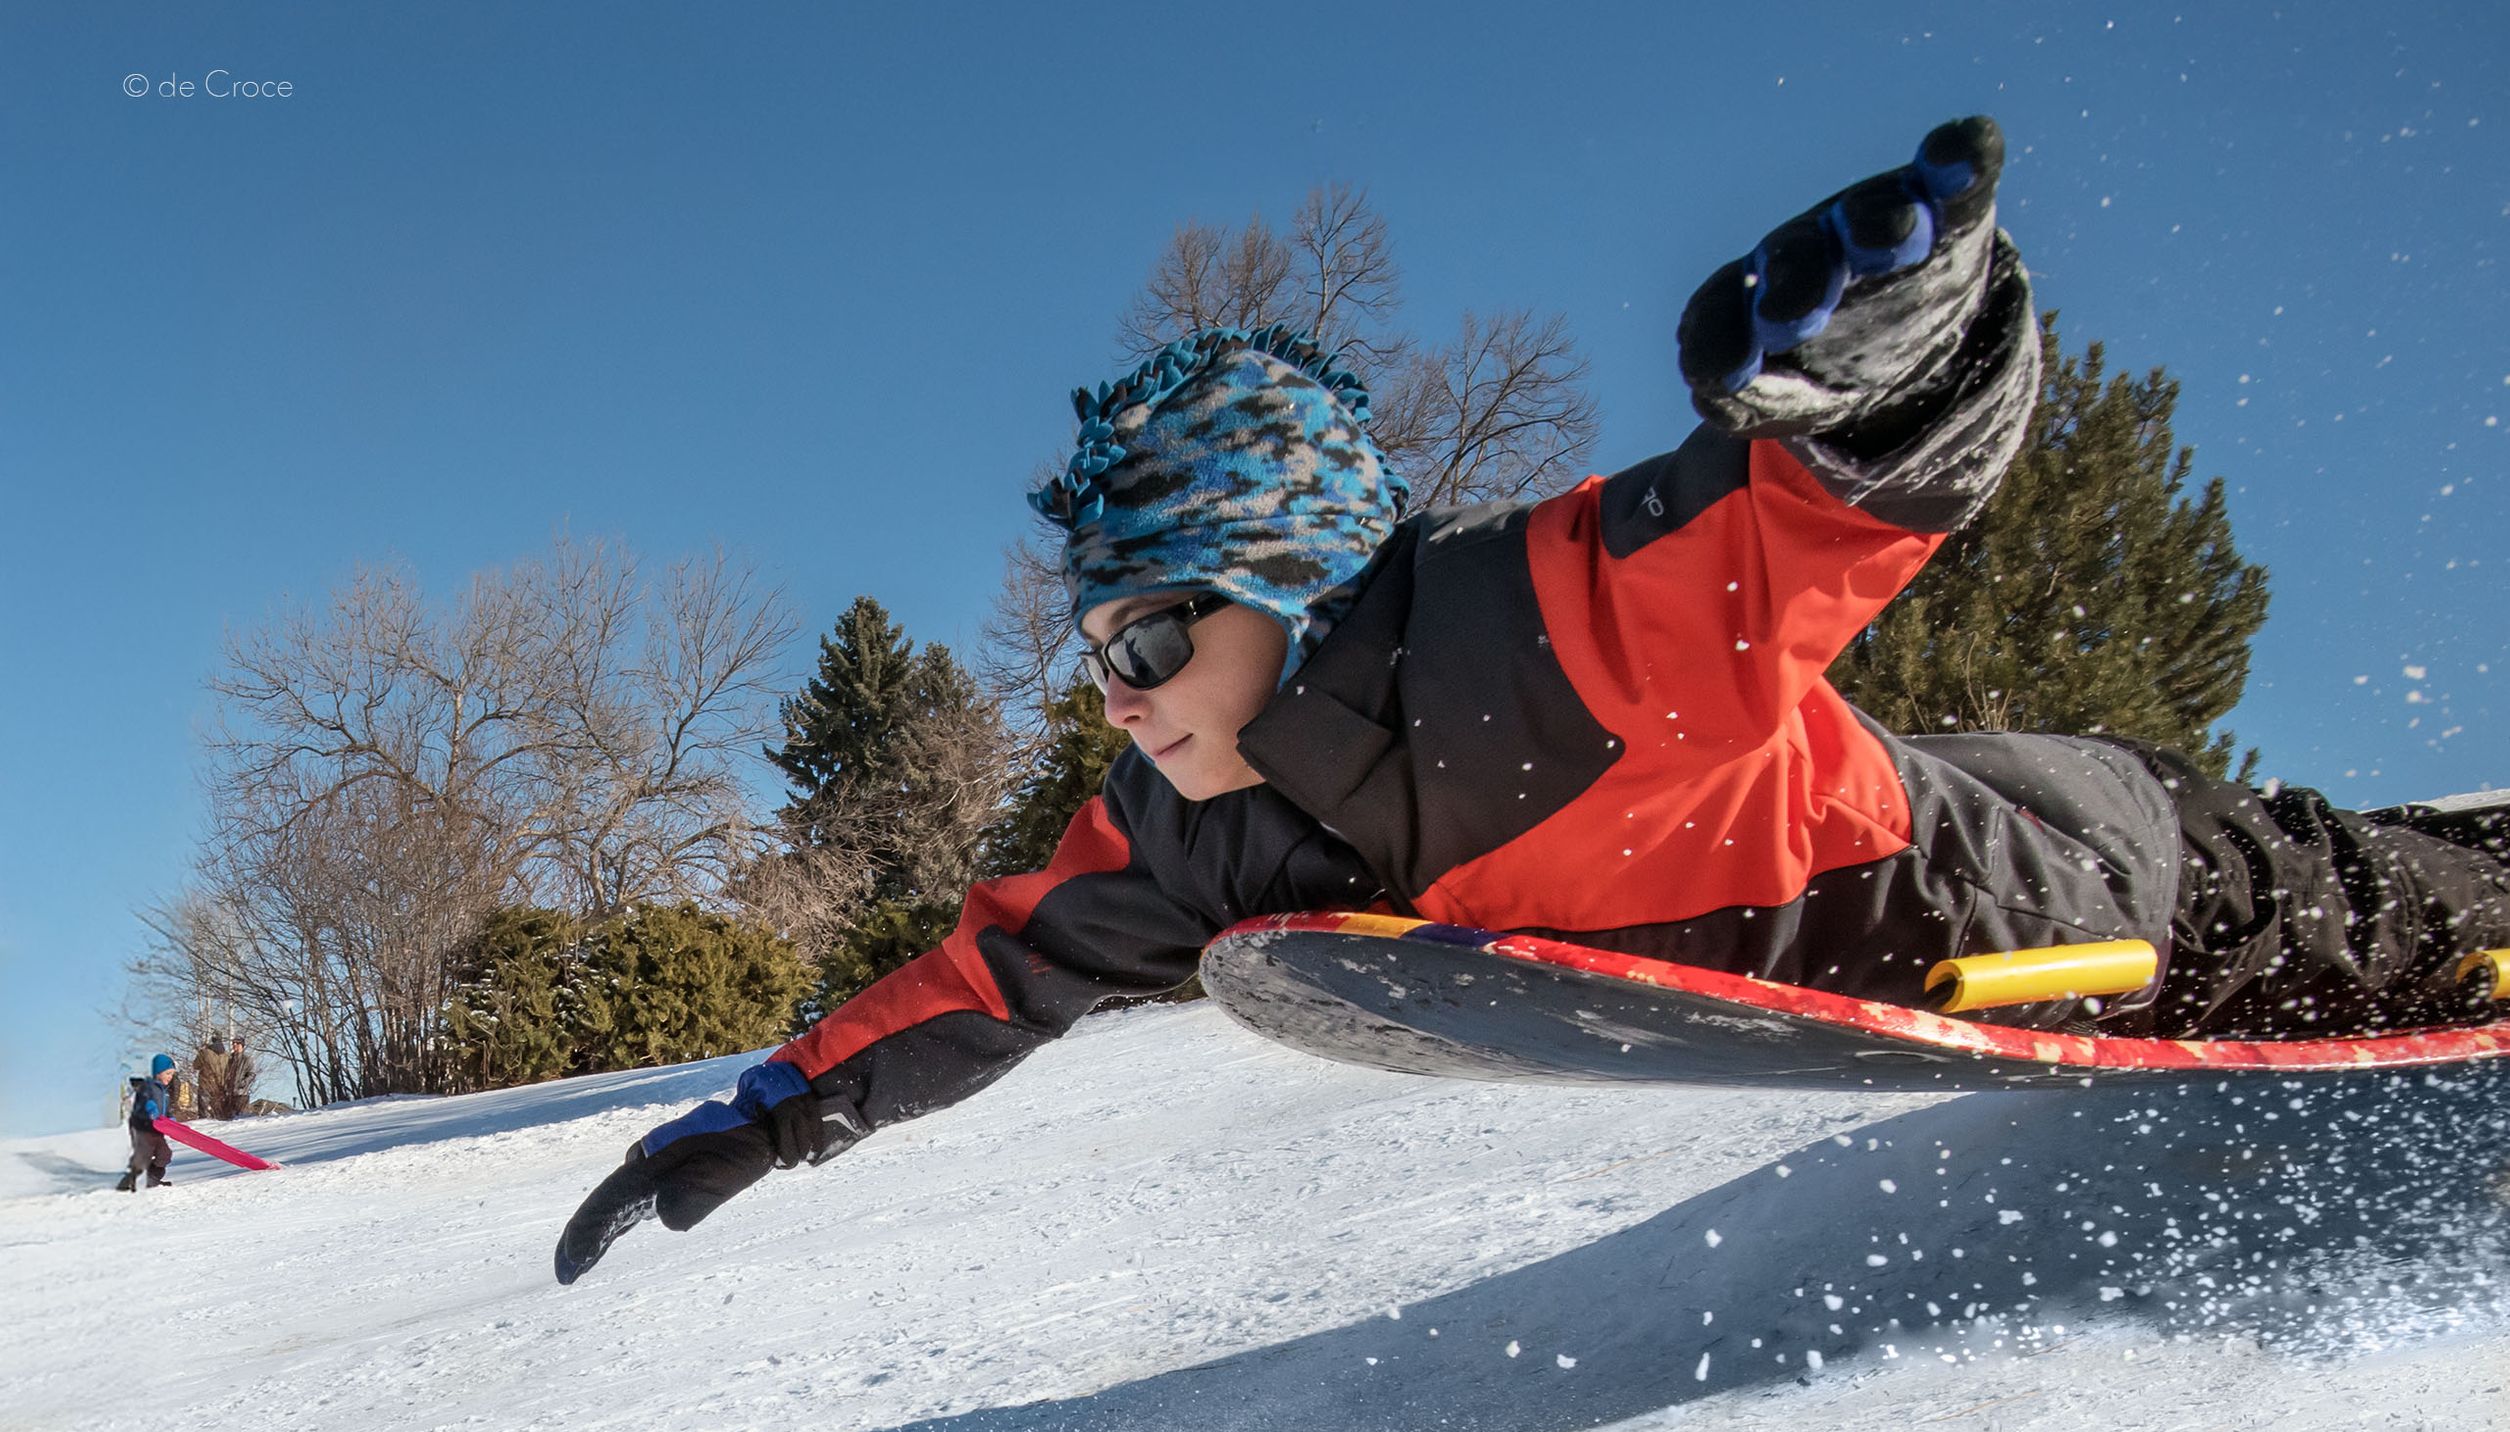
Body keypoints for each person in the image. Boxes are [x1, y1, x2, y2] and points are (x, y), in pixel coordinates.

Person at [556, 115, 2510, 1283]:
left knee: (2401, 919)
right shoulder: (1192, 825)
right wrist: (768, 1116)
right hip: (1872, 900)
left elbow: (1864, 487)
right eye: (1093, 650)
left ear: (1292, 592)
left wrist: (1888, 343)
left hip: (2032, 883)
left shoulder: (1548, 623)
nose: (1119, 690)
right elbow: (998, 977)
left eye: (1150, 634)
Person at [117, 1054, 179, 1192]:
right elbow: (145, 1100)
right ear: (158, 1072)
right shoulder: (148, 1086)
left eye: (172, 1074)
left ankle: (151, 1178)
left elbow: (165, 1110)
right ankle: (127, 1182)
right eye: (168, 1073)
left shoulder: (164, 1091)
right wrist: (150, 1107)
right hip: (142, 1128)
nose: (170, 1077)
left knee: (164, 1154)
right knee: (143, 1156)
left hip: (156, 1129)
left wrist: (170, 1118)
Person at [192, 1034, 228, 1125]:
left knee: (204, 1114)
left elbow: (195, 1066)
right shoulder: (226, 1055)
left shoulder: (204, 1053)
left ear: (212, 1040)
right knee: (218, 1113)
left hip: (206, 1084)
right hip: (220, 1086)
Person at [222, 1035, 255, 1121]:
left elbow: (252, 1074)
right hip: (228, 1094)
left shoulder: (247, 1059)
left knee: (241, 1119)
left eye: (237, 1043)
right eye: (233, 1043)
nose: (234, 1045)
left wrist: (243, 1083)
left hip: (241, 1094)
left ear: (242, 1046)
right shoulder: (229, 1059)